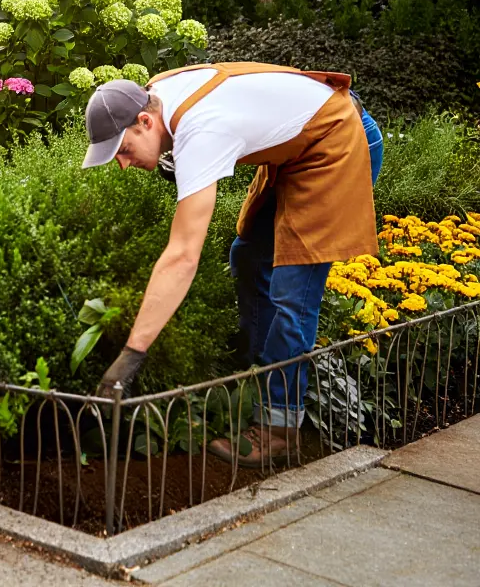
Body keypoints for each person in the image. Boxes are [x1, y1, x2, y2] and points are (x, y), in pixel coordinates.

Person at [81, 62, 384, 465]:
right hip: (298, 146)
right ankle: (255, 380)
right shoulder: (156, 94)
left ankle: (279, 429)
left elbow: (182, 256)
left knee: (293, 292)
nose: (122, 163)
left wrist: (132, 355)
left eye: (123, 149)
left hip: (340, 138)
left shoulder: (201, 130)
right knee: (249, 256)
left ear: (144, 121)